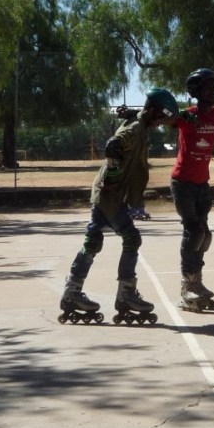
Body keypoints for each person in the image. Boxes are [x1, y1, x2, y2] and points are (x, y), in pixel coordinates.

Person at [60, 88, 179, 324]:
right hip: (109, 194)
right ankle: (125, 295)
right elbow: (113, 145)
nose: (161, 123)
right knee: (130, 239)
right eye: (161, 117)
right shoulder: (135, 129)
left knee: (93, 240)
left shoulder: (140, 123)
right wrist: (113, 171)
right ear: (153, 111)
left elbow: (140, 121)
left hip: (108, 194)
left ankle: (73, 291)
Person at [172, 68, 214, 312]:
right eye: (207, 88)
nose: (212, 91)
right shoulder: (186, 116)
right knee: (193, 232)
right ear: (195, 91)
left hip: (203, 183)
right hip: (183, 182)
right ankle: (187, 284)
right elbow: (163, 118)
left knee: (205, 234)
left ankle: (197, 281)